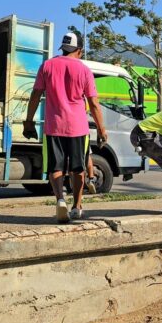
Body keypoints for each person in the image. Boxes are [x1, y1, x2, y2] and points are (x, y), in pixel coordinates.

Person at [23, 31, 107, 223]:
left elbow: (35, 95)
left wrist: (29, 121)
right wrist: (102, 129)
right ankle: (77, 206)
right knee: (78, 168)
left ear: (63, 48)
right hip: (78, 127)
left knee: (55, 167)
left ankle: (60, 199)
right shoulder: (84, 70)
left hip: (53, 126)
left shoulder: (48, 65)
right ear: (79, 50)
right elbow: (93, 103)